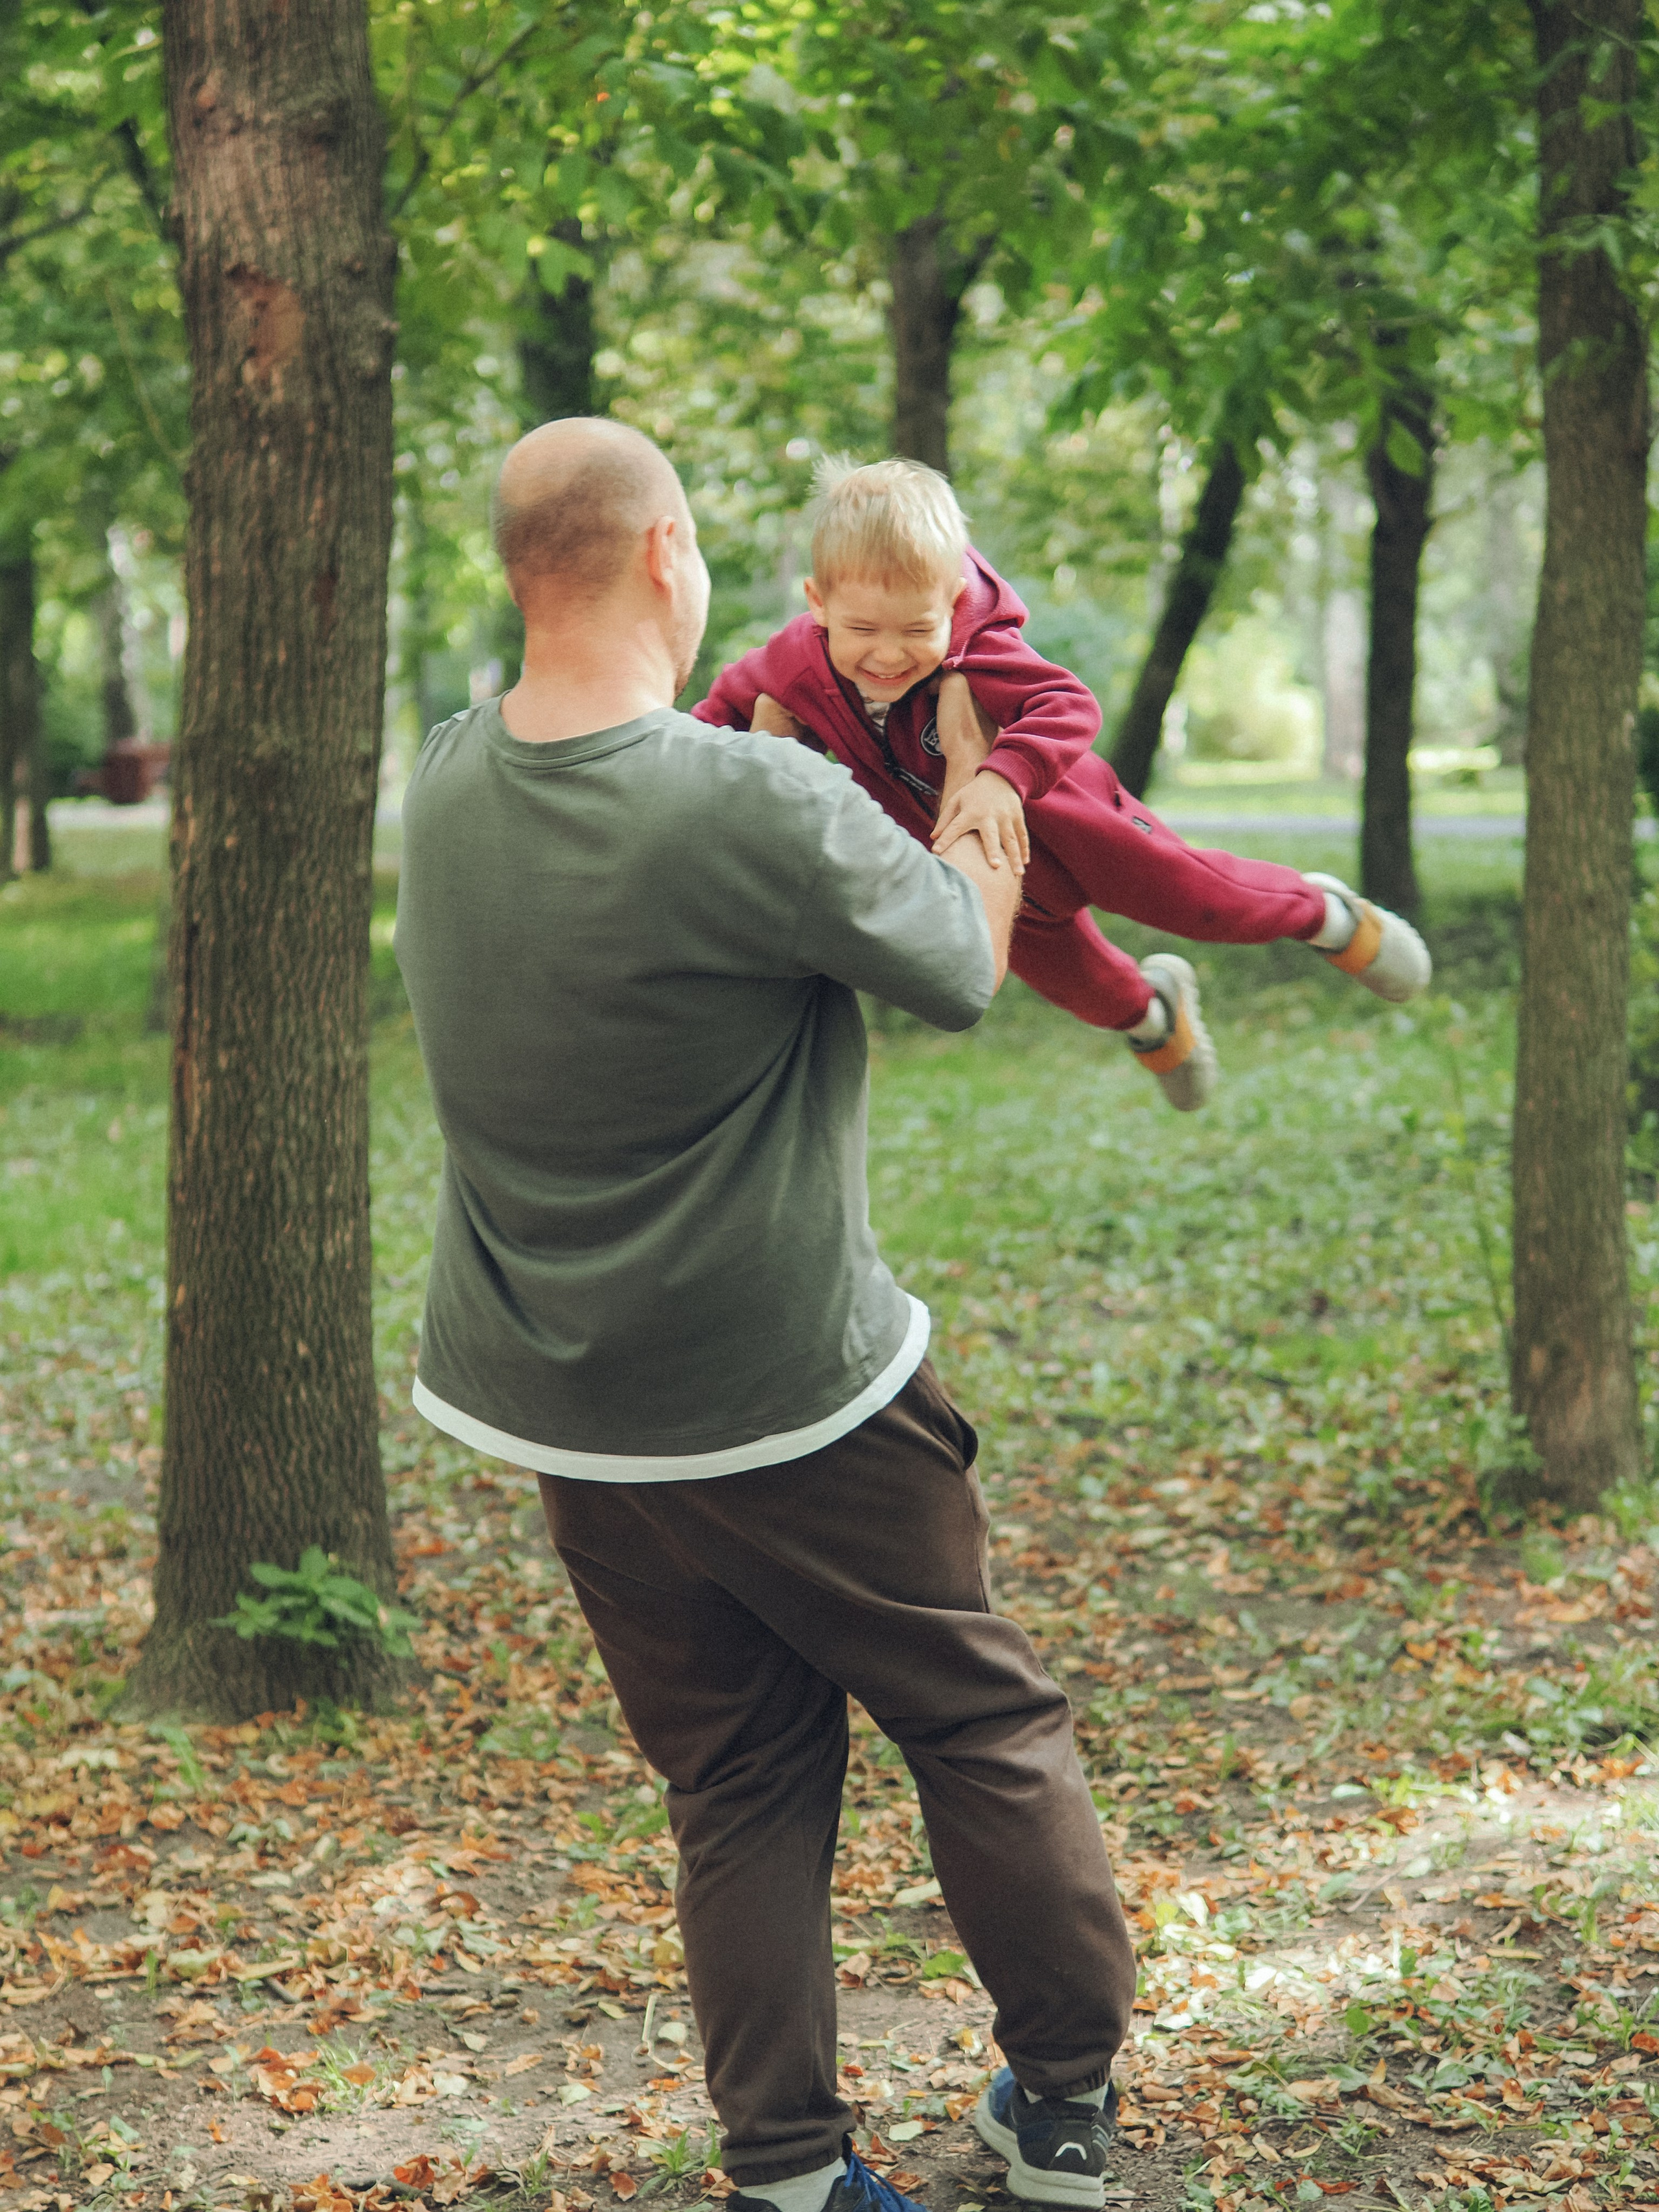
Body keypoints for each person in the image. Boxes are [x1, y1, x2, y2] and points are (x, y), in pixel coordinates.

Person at [394, 418, 1139, 2212]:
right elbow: (961, 962)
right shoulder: (756, 799)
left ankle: (792, 2169)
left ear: (521, 569)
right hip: (801, 1397)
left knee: (736, 1776)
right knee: (980, 1719)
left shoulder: (440, 778)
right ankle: (1059, 2114)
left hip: (569, 1407)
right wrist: (982, 781)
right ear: (667, 559)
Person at [695, 456, 1432, 1112]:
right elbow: (710, 724)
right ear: (817, 601)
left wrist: (1001, 776)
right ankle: (1156, 1019)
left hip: (1079, 826)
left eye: (915, 629)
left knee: (1207, 902)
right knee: (1081, 987)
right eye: (863, 630)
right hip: (990, 870)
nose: (888, 655)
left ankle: (1328, 915)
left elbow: (1067, 705)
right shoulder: (791, 666)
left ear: (952, 601)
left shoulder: (978, 648)